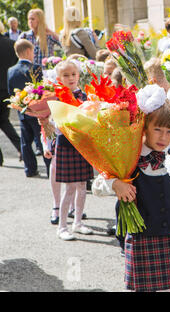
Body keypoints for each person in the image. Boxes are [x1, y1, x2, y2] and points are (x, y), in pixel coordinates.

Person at [94, 85, 170, 291]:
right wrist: (115, 184)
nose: (164, 137)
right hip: (143, 236)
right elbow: (97, 186)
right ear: (144, 129)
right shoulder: (129, 157)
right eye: (157, 130)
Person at [53, 60, 93, 241]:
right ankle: (62, 226)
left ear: (78, 75)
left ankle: (78, 222)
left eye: (73, 74)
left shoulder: (84, 95)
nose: (70, 78)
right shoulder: (55, 98)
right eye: (66, 75)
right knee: (69, 188)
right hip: (66, 145)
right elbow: (54, 123)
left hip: (82, 145)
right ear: (58, 78)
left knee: (82, 186)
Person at [7, 39, 43, 177]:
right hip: (36, 110)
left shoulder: (11, 70)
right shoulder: (36, 68)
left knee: (25, 141)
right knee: (40, 140)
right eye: (33, 51)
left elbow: (11, 91)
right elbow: (41, 89)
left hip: (22, 111)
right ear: (28, 51)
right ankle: (49, 164)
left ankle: (30, 169)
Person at [0, 28, 21, 166]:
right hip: (6, 89)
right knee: (4, 121)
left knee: (4, 121)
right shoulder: (11, 44)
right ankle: (21, 148)